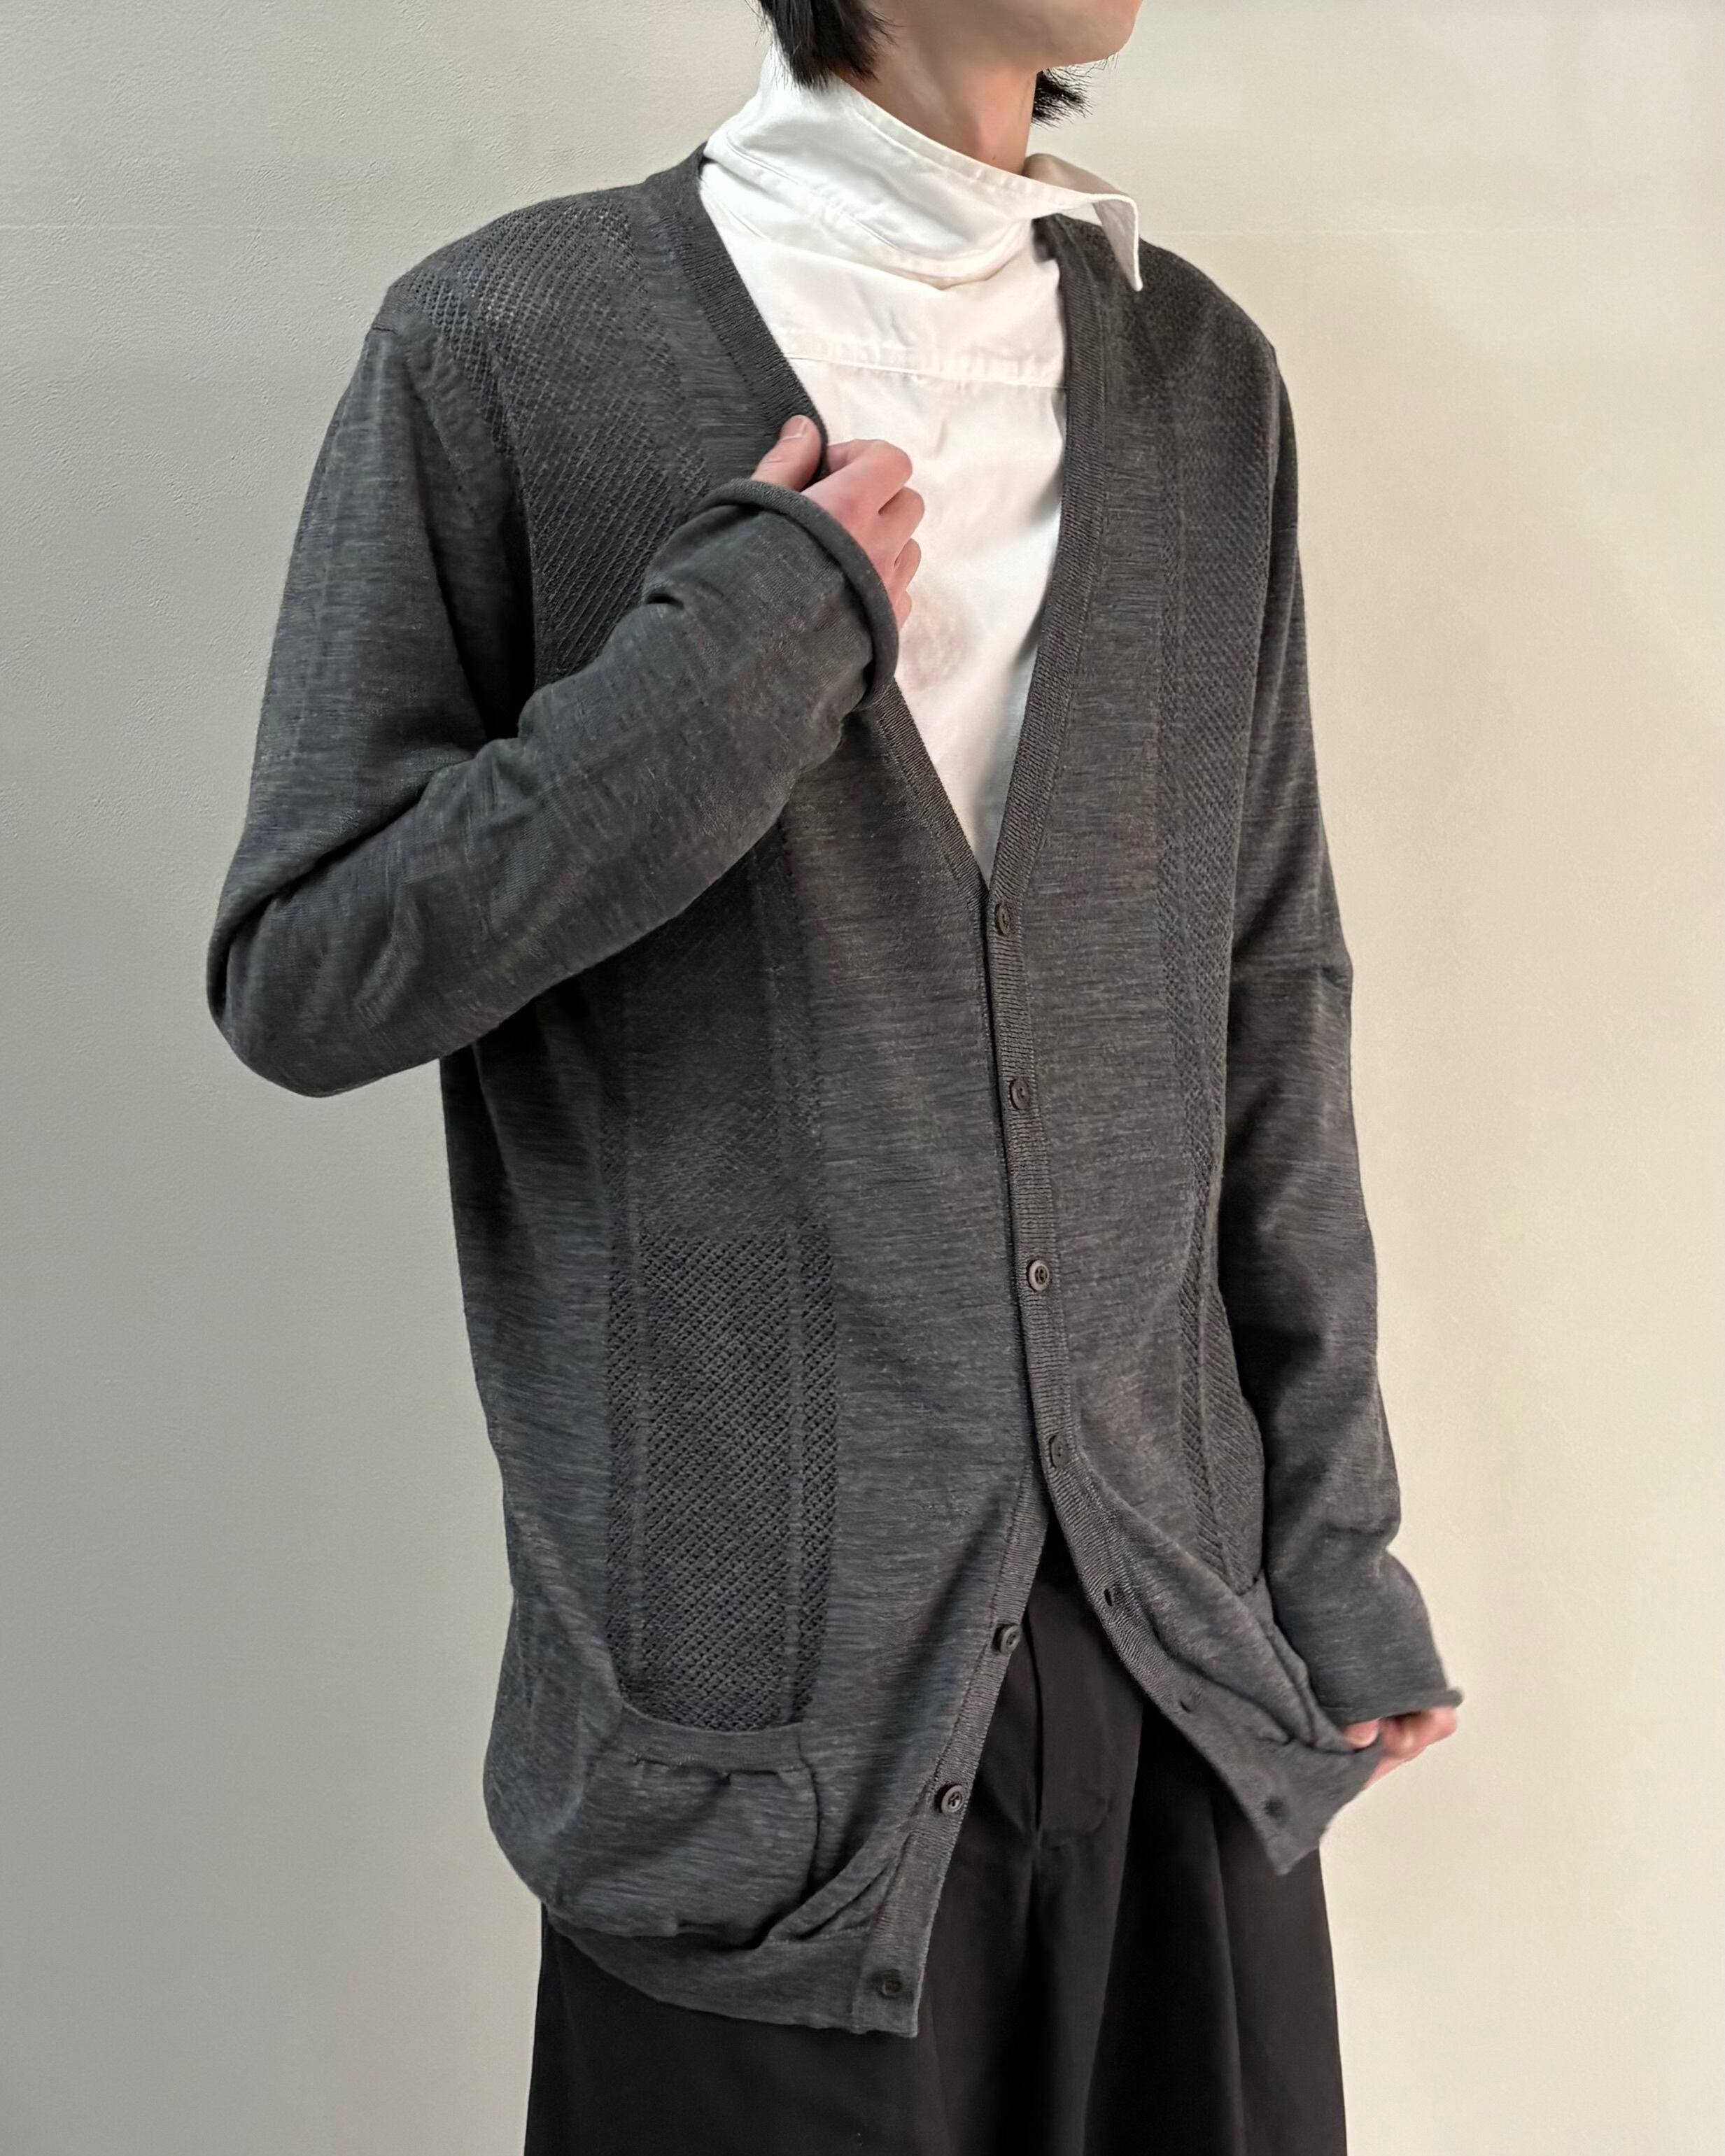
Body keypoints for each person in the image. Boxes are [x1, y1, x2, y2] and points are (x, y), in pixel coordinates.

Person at [204, 3, 1462, 2148]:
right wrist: (727, 664)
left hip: (1181, 1687)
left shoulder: (1194, 377)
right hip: (762, 1760)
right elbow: (308, 970)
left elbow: (1267, 981)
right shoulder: (508, 344)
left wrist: (1330, 1542)